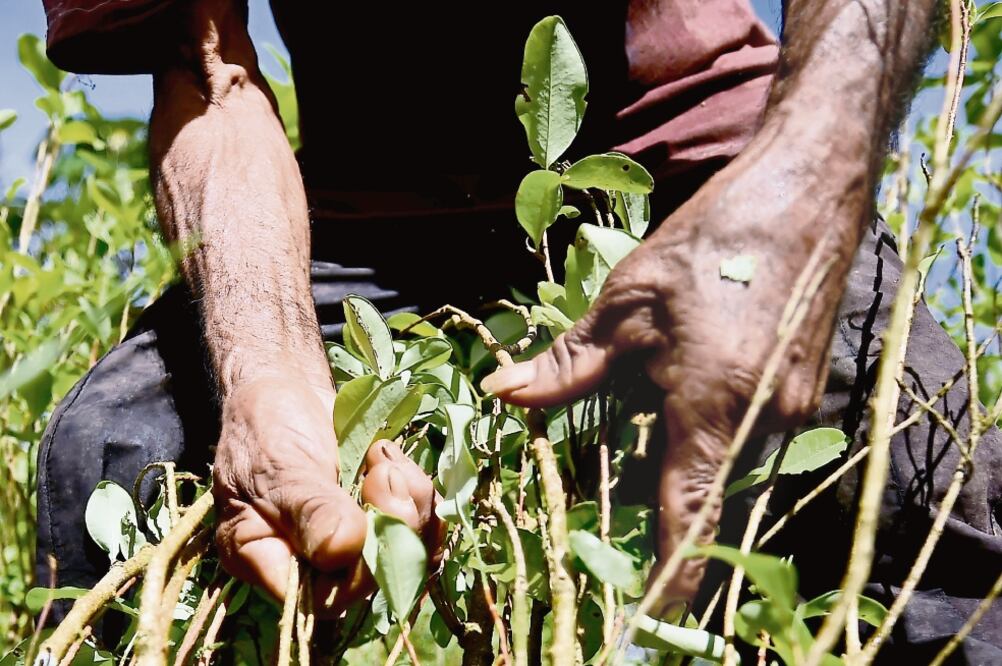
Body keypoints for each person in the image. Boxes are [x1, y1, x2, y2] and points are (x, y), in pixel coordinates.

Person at [36, 0, 1002, 660]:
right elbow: (205, 70)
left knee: (901, 445)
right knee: (115, 452)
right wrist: (266, 373)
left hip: (704, 176)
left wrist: (793, 201)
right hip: (349, 222)